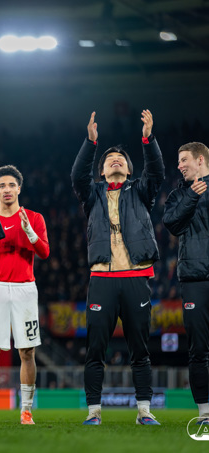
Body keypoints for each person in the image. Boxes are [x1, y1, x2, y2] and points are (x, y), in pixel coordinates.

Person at [71, 110, 164, 425]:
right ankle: (94, 412)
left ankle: (144, 411)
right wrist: (90, 143)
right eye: (109, 159)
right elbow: (78, 176)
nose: (115, 160)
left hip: (136, 277)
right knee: (95, 349)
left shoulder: (141, 191)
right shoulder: (92, 195)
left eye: (121, 159)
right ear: (101, 171)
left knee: (141, 349)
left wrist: (148, 140)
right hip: (102, 279)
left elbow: (156, 171)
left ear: (129, 169)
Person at [0, 165, 49, 425]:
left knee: (27, 352)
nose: (7, 189)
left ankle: (26, 411)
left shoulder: (34, 218)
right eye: (2, 186)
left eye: (11, 185)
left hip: (24, 288)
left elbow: (44, 252)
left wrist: (29, 231)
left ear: (19, 188)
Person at [163, 142, 209, 424]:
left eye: (184, 160)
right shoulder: (179, 195)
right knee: (198, 349)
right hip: (193, 279)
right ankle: (205, 413)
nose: (179, 165)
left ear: (200, 160)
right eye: (178, 161)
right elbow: (172, 223)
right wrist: (192, 195)